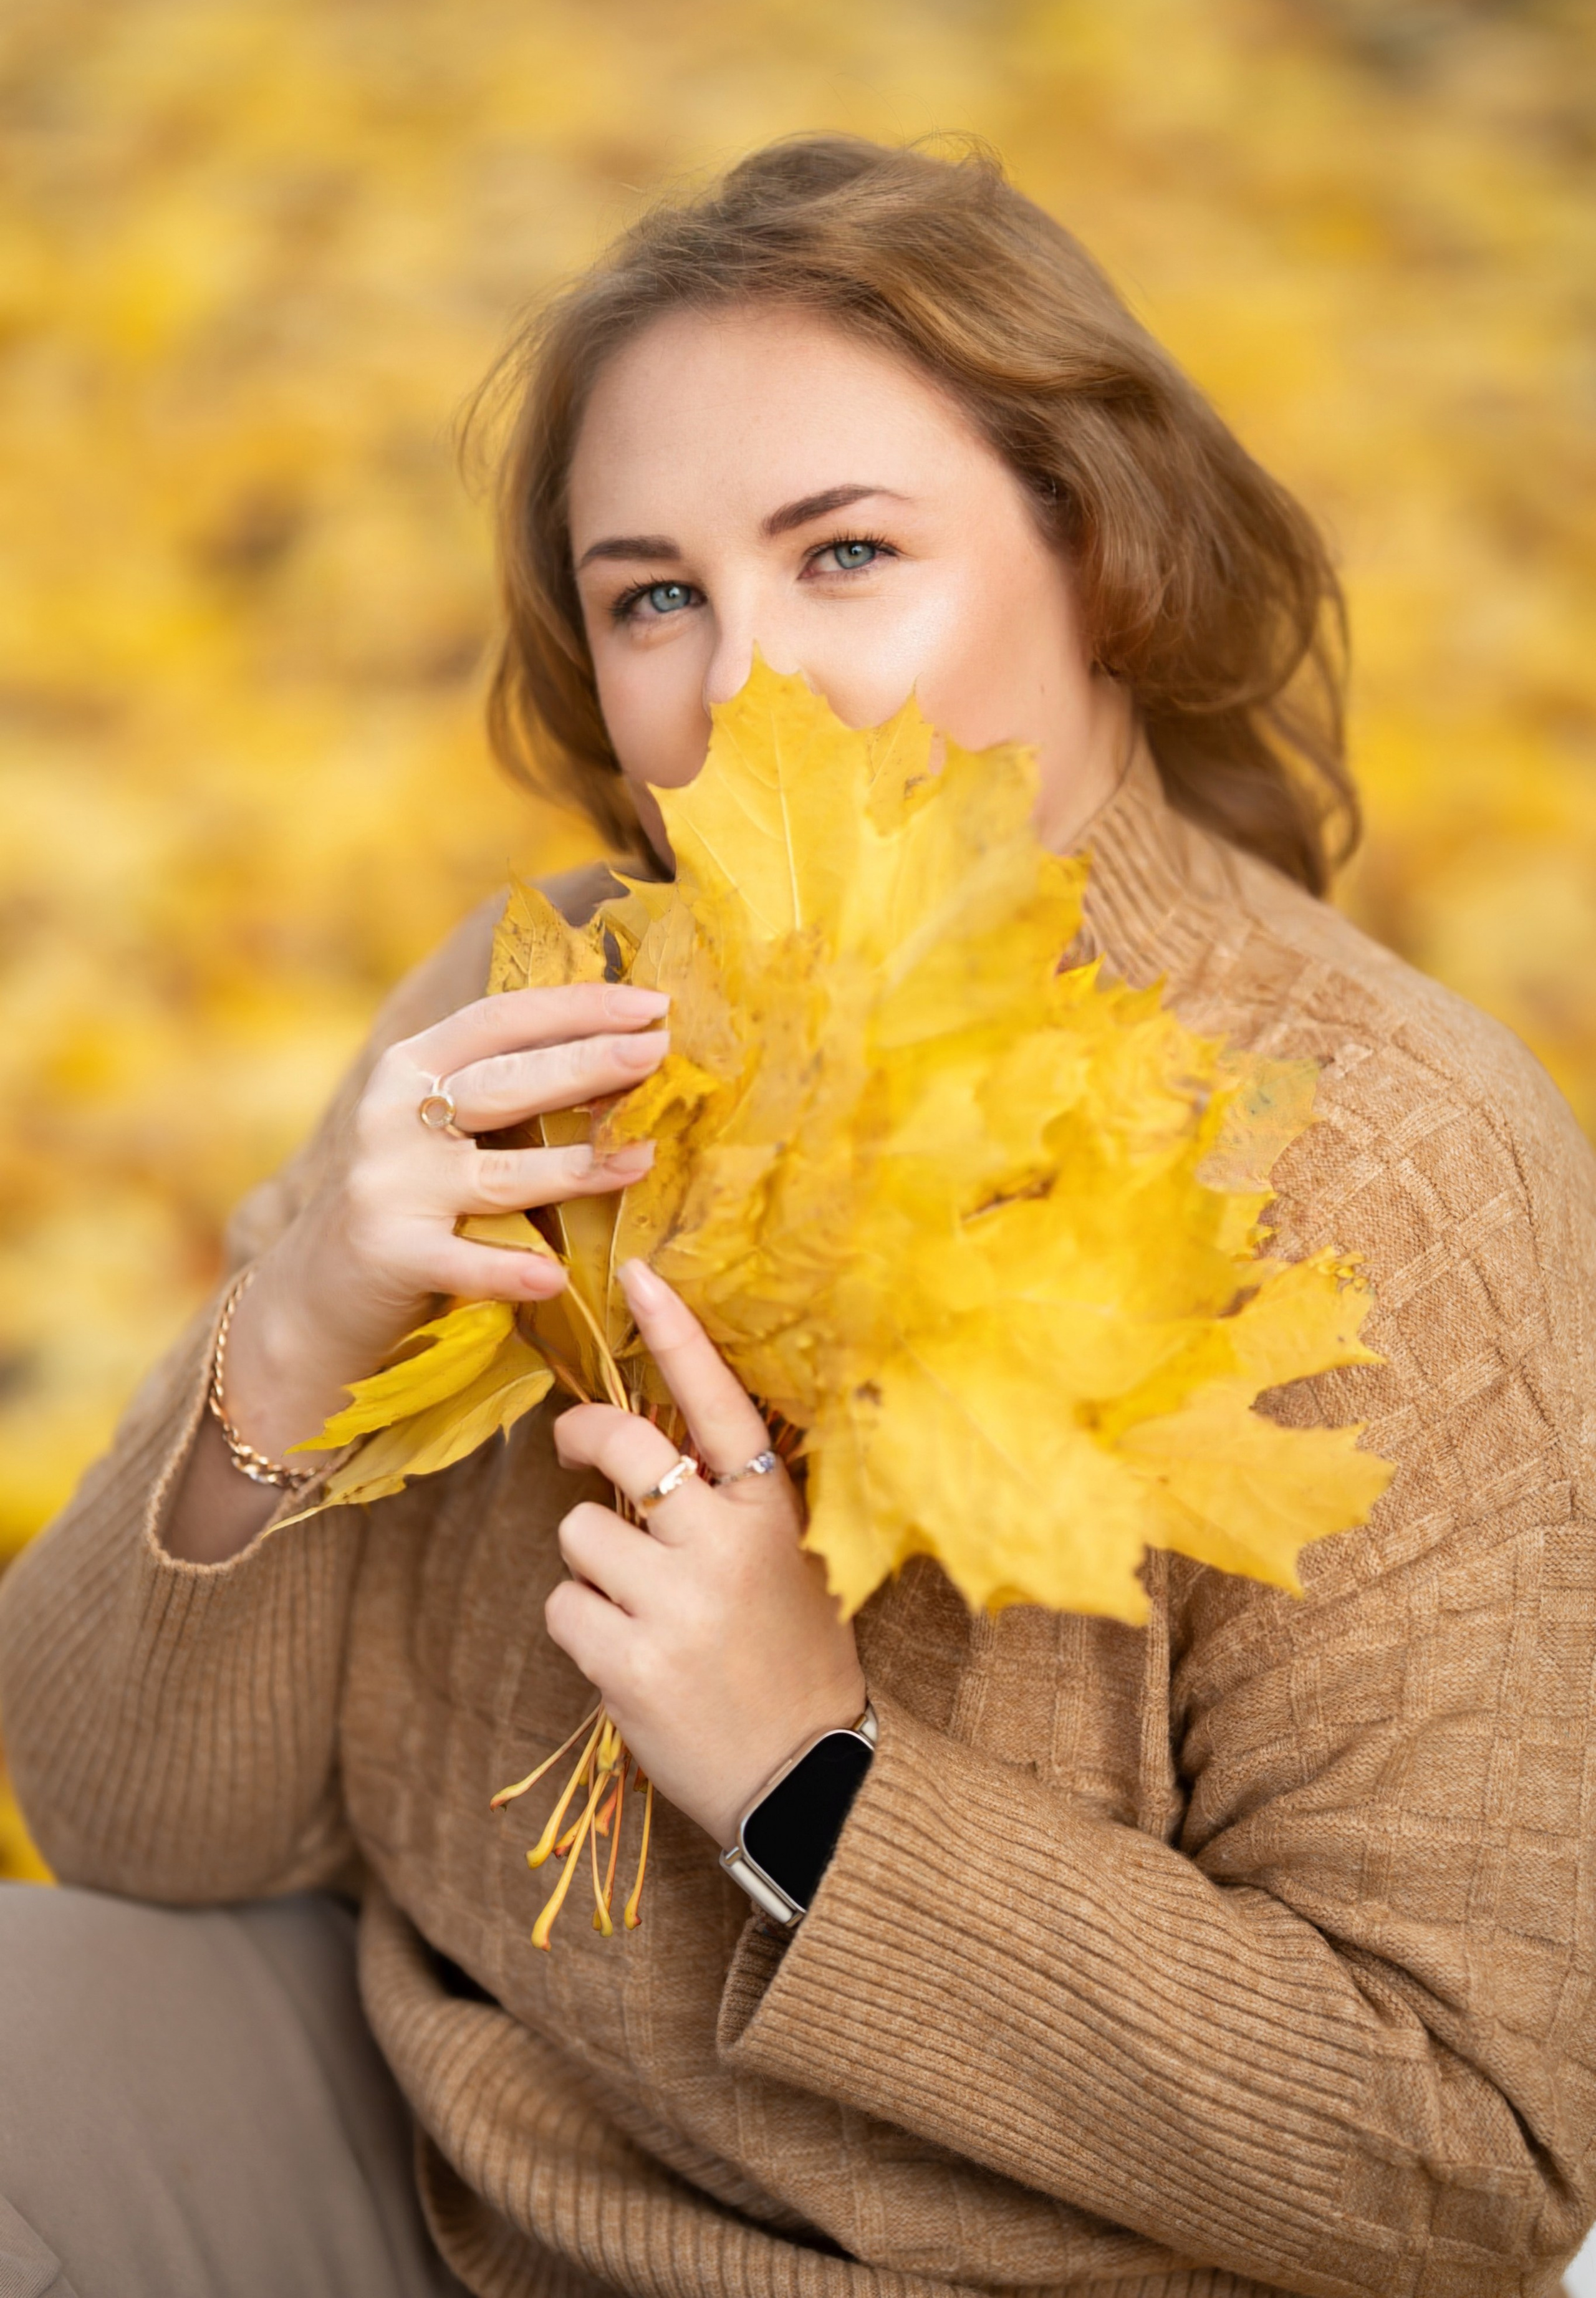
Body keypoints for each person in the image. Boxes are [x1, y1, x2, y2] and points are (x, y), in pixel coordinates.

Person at [1, 134, 1593, 2298]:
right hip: (430, 2158)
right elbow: (132, 1833)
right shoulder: (538, 1016)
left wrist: (807, 1778)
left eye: (846, 553)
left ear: (1104, 560)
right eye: (652, 594)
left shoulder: (1394, 1166)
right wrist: (287, 1338)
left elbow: (1471, 2159)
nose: (741, 681)